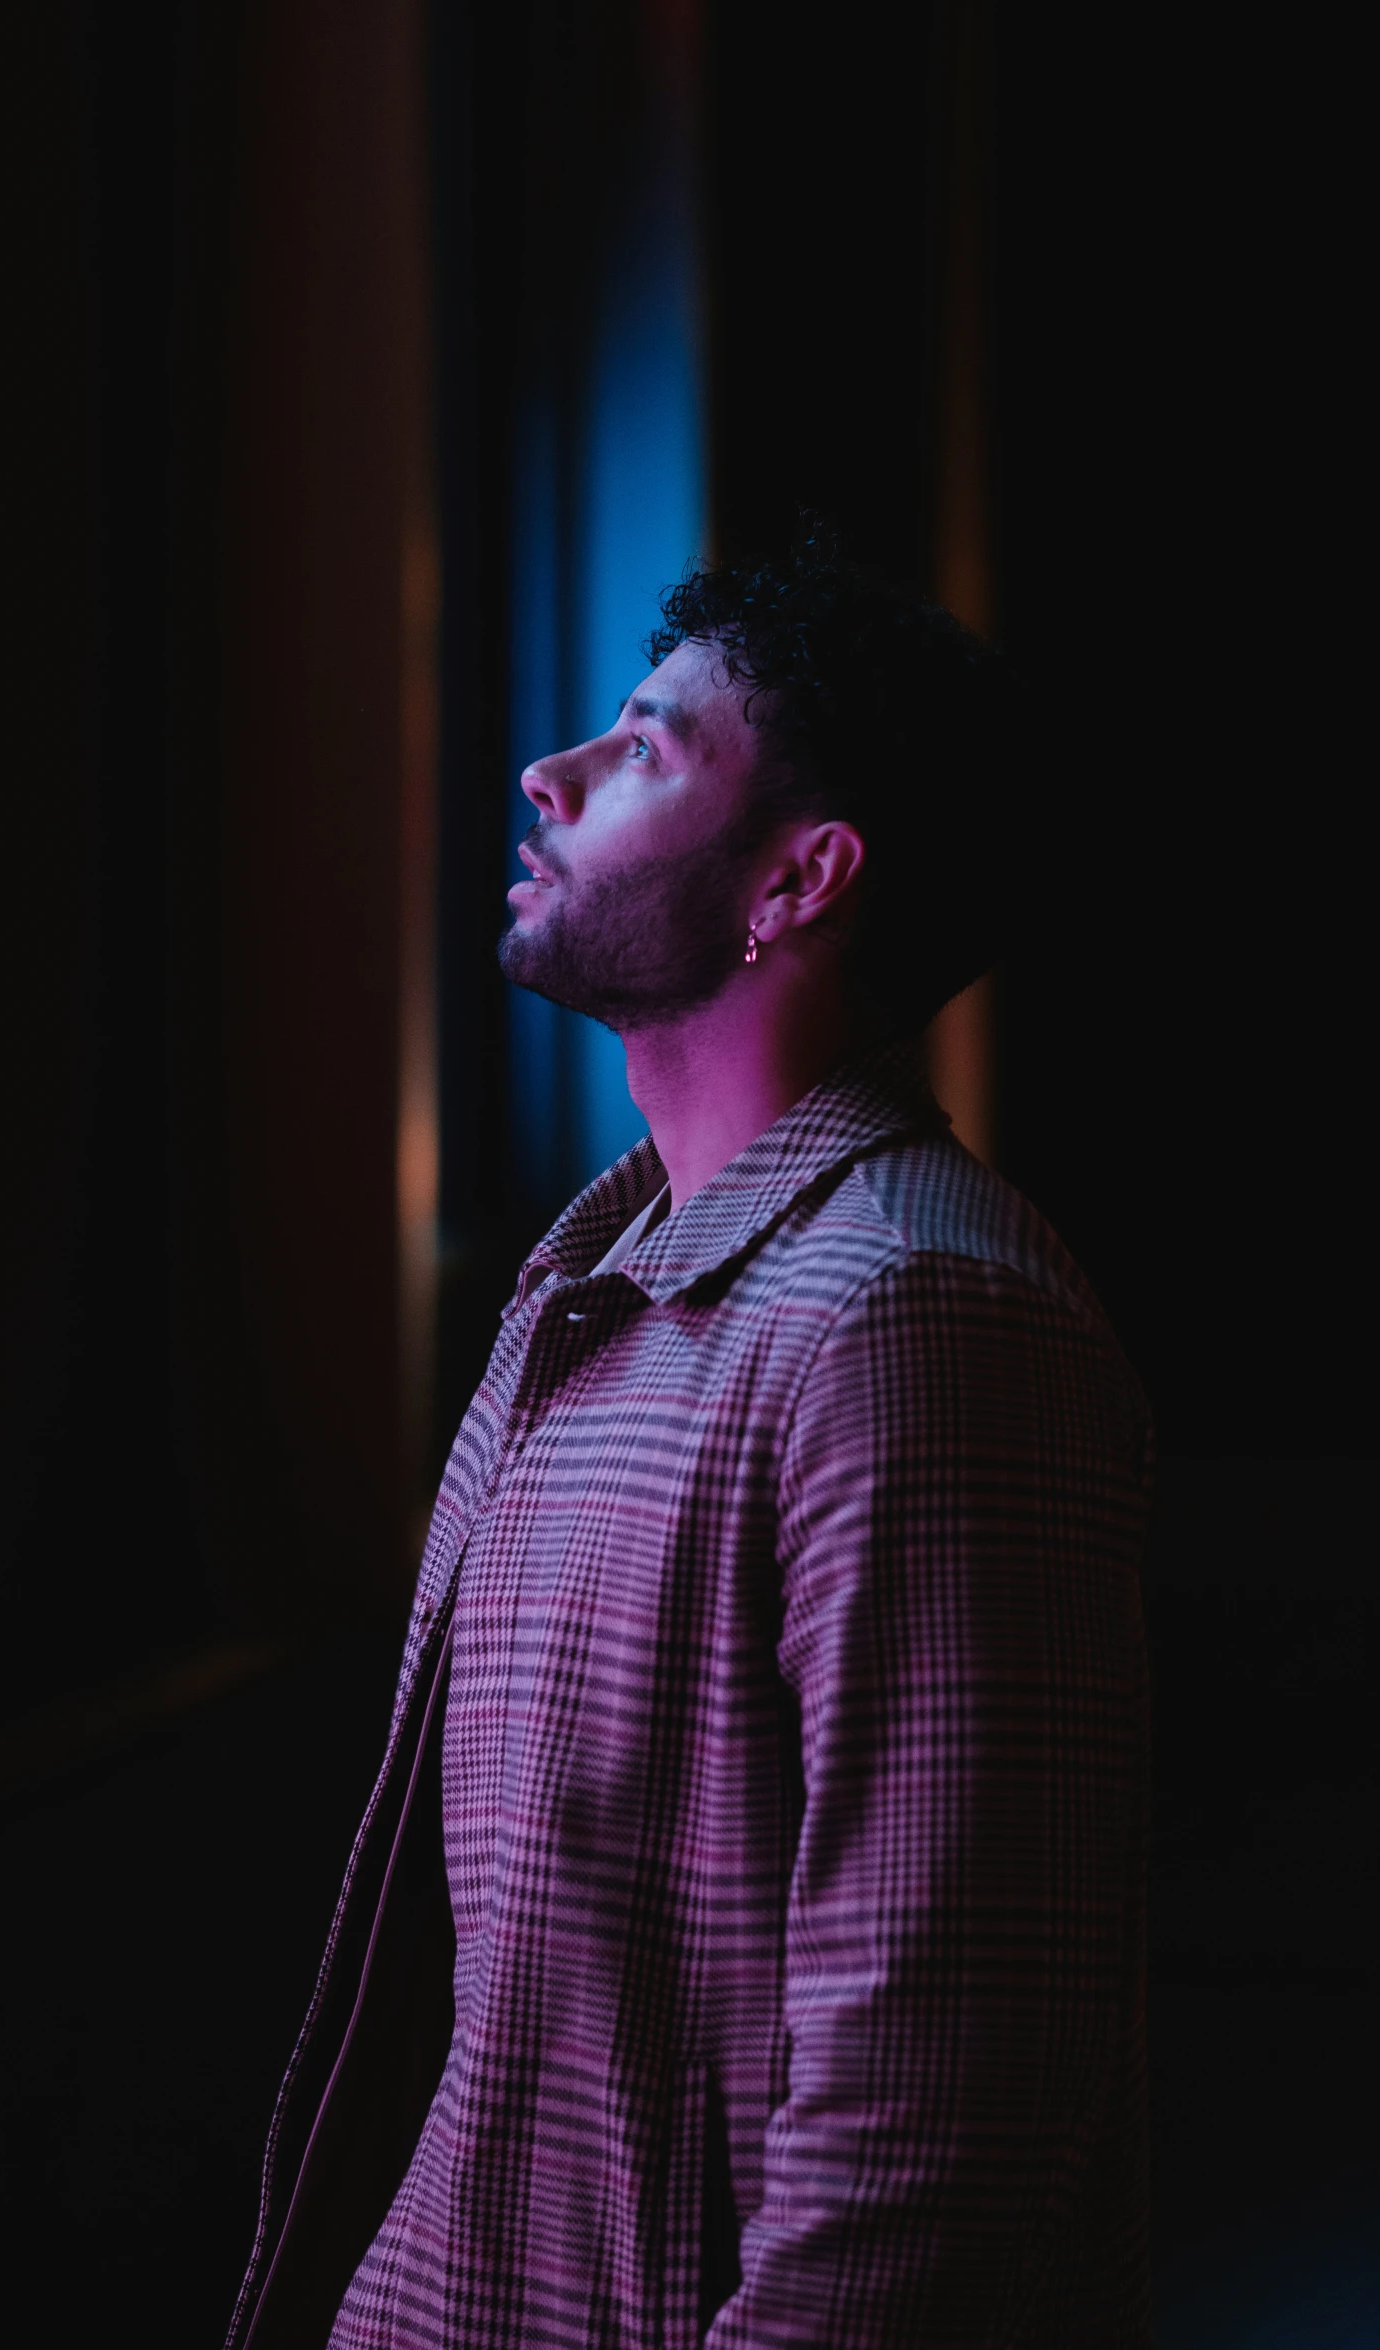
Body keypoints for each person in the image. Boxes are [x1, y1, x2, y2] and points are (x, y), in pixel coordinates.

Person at [226, 529, 1153, 2348]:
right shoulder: (602, 1281)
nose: (548, 773)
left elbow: (933, 2139)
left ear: (799, 878)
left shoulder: (917, 1321)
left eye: (647, 748)